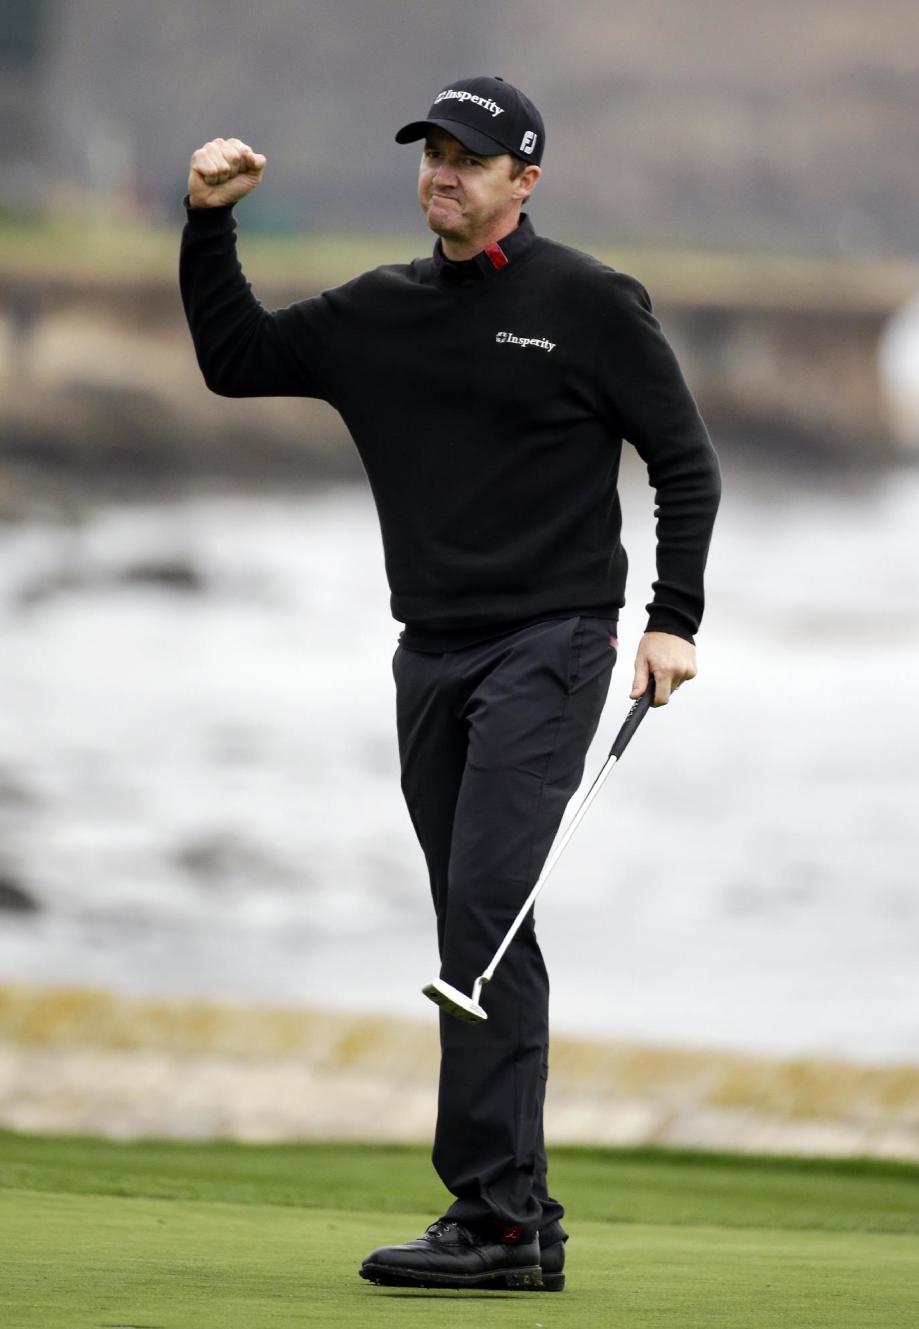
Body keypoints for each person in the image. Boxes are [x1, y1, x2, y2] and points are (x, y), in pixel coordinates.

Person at [179, 73, 721, 1293]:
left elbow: (684, 464)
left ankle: (493, 1216)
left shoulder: (587, 302)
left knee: (483, 910)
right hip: (430, 650)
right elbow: (236, 357)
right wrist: (208, 220)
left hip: (555, 640)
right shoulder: (382, 311)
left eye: (470, 158)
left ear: (523, 182)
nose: (444, 172)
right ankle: (518, 1220)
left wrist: (671, 620)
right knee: (478, 925)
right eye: (432, 151)